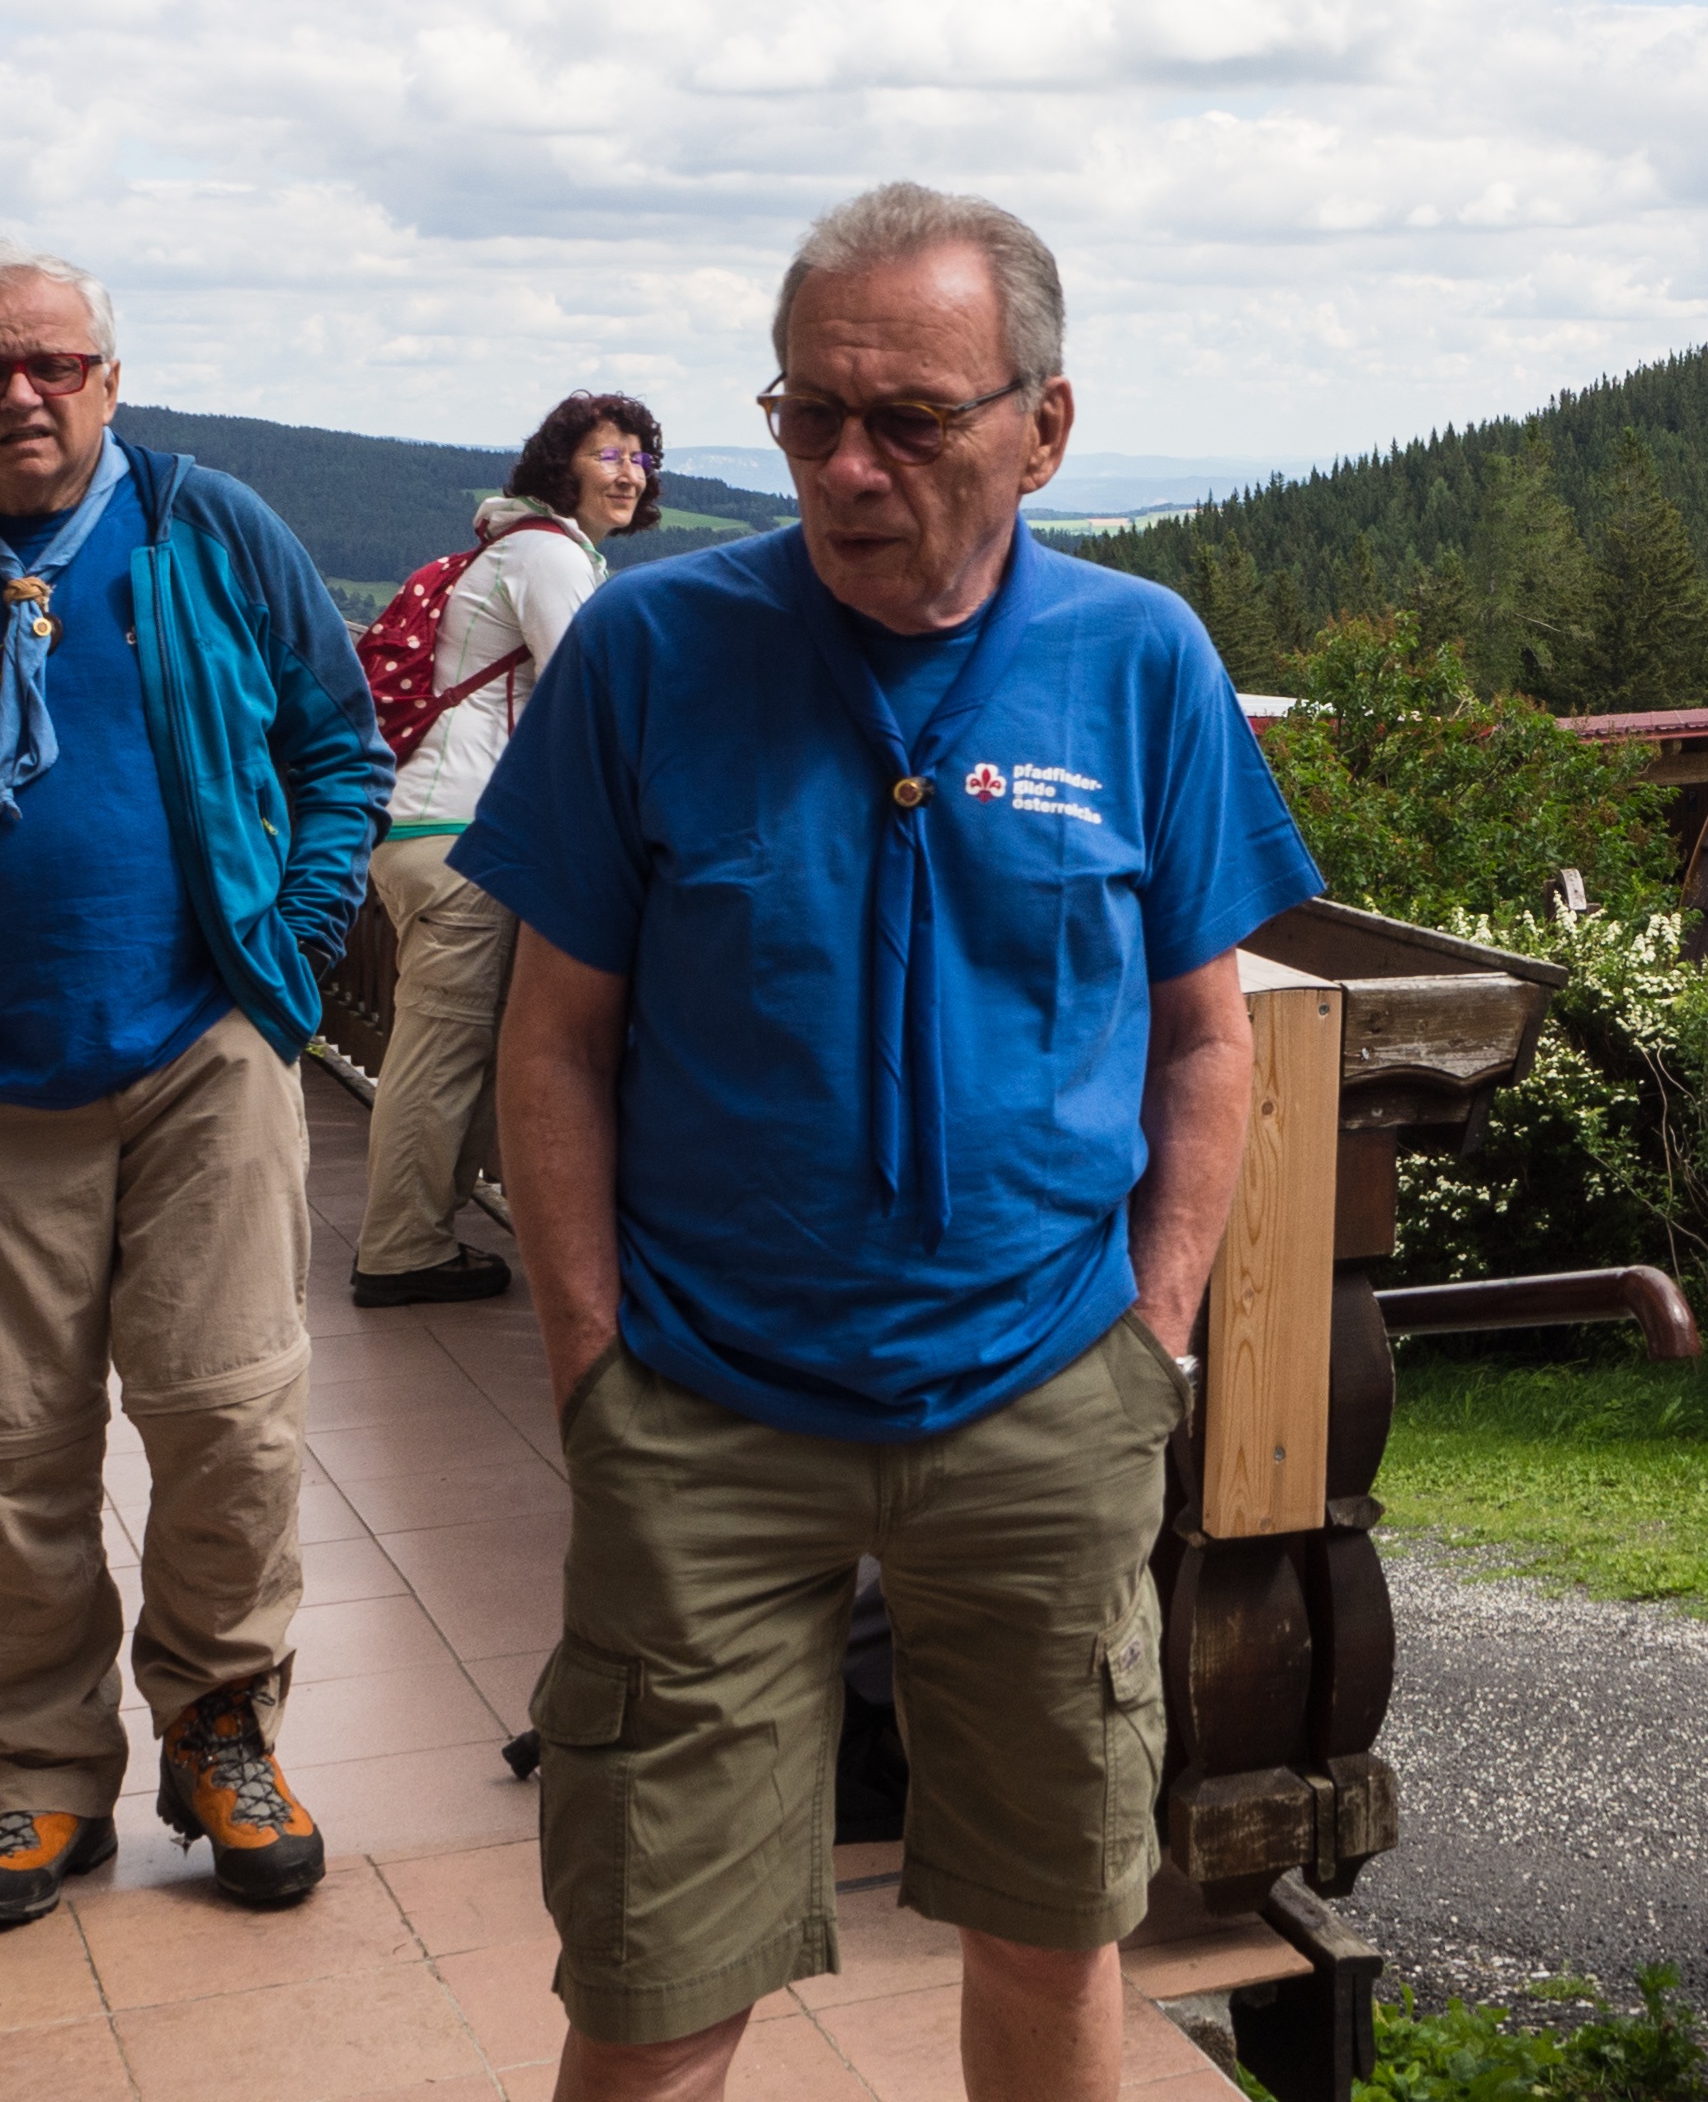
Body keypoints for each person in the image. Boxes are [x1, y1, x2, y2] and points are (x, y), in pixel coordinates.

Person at [457, 183, 1318, 2102]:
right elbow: (554, 1038)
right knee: (655, 1969)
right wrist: (592, 1367)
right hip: (703, 1409)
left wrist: (1150, 1342)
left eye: (910, 420)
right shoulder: (648, 649)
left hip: (1041, 1402)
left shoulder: (1139, 659)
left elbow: (1206, 1034)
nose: (847, 468)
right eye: (808, 415)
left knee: (1051, 1928)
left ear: (1043, 426)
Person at [0, 240, 389, 1925]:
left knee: (229, 1418)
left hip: (204, 1049)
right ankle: (40, 1780)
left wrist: (285, 965)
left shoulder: (209, 533)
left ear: (110, 380)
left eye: (55, 363)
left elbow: (338, 748)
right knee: (10, 1446)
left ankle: (221, 1733)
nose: (23, 394)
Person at [350, 391, 660, 1308]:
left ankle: (429, 1229)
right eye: (608, 455)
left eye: (640, 458)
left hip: (422, 829)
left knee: (455, 1042)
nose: (630, 473)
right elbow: (593, 697)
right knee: (443, 1048)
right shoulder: (550, 556)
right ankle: (401, 1249)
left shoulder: (510, 548)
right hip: (460, 838)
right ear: (563, 467)